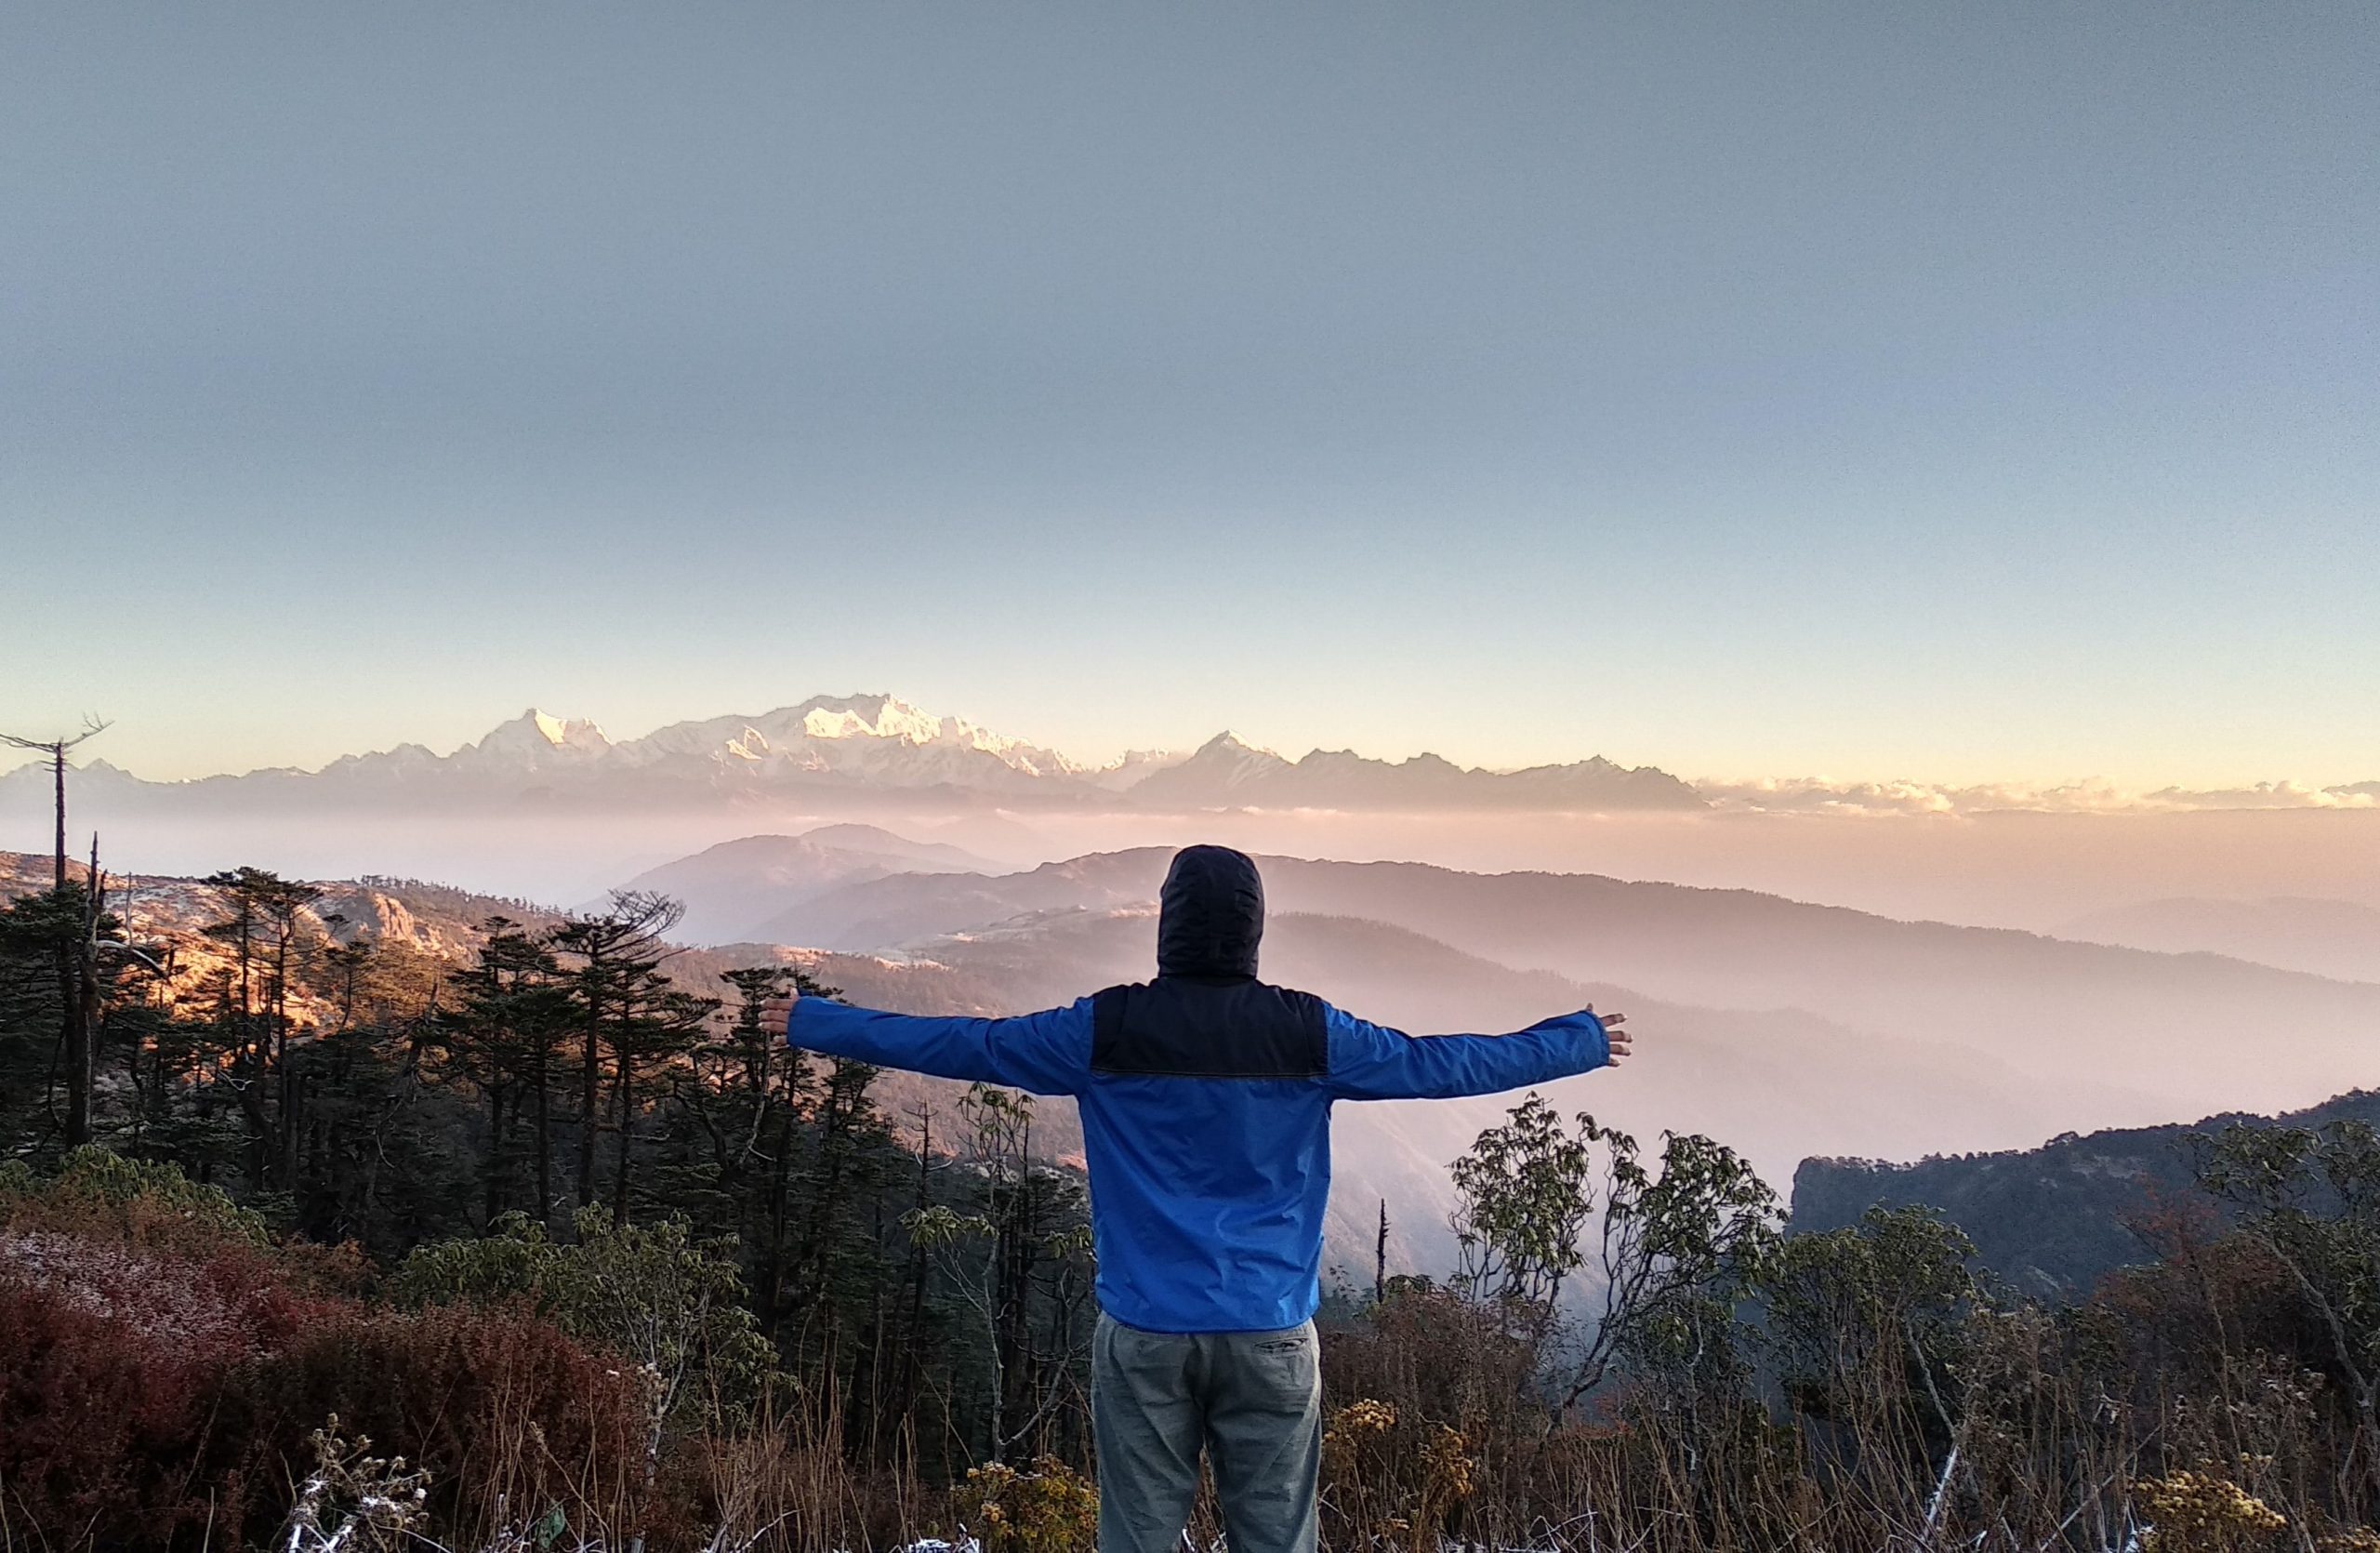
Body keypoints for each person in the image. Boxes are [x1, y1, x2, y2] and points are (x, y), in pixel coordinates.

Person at [763, 843, 1631, 1553]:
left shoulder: (1104, 1029)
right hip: (1269, 1331)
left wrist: (817, 1021)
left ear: (1167, 927)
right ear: (1254, 931)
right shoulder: (1308, 1031)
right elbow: (1441, 1063)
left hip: (1145, 1332)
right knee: (1276, 1539)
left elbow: (965, 1044)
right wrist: (1575, 1041)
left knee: (1138, 1537)